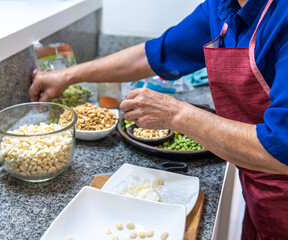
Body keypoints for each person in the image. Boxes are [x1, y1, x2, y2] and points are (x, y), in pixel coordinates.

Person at [30, 0, 288, 238]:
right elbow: (155, 54)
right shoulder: (221, 7)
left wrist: (176, 114)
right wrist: (68, 75)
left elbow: (281, 149)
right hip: (256, 183)